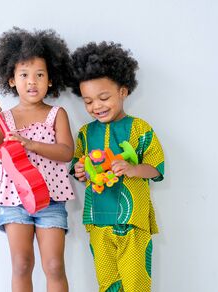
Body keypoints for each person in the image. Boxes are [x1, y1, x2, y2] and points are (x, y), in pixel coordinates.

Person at [0, 27, 75, 292]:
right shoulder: (6, 119)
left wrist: (32, 144)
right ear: (11, 79)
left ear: (50, 80)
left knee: (55, 265)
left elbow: (66, 152)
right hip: (14, 199)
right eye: (24, 75)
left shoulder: (57, 113)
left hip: (51, 199)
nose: (32, 82)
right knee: (22, 263)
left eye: (39, 75)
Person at [69, 41, 165, 292]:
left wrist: (134, 169)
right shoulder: (85, 133)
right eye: (88, 101)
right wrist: (80, 171)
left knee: (136, 284)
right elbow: (79, 165)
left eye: (103, 97)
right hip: (99, 222)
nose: (96, 106)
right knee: (108, 285)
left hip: (133, 222)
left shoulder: (139, 128)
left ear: (123, 91)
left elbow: (156, 167)